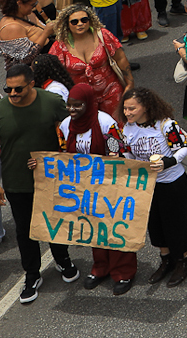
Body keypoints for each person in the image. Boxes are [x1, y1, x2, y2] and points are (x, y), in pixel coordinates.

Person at [0, 63, 76, 304]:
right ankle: (32, 273)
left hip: (52, 179)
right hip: (16, 184)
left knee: (56, 223)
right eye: (8, 89)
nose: (13, 94)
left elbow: (71, 132)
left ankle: (63, 261)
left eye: (18, 89)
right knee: (25, 231)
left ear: (32, 84)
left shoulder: (52, 102)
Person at [53, 83, 133, 293]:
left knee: (114, 227)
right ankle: (100, 267)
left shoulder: (105, 122)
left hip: (108, 186)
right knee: (94, 228)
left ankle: (123, 272)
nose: (72, 110)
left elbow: (118, 151)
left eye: (78, 105)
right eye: (70, 105)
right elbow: (62, 153)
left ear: (88, 104)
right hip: (84, 189)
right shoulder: (65, 125)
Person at [119, 87, 187, 287]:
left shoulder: (166, 125)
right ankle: (166, 260)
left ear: (146, 107)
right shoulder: (127, 129)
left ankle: (183, 262)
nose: (127, 113)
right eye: (125, 109)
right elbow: (129, 155)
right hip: (148, 186)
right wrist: (122, 159)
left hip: (172, 183)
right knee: (156, 225)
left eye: (132, 109)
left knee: (175, 224)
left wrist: (166, 163)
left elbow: (183, 148)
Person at [47, 3, 132, 119]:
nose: (80, 24)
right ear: (67, 24)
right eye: (74, 22)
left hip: (111, 92)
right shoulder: (59, 46)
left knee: (119, 128)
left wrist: (130, 84)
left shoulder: (102, 35)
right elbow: (53, 73)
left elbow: (121, 58)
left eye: (84, 20)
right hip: (81, 101)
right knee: (91, 134)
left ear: (90, 20)